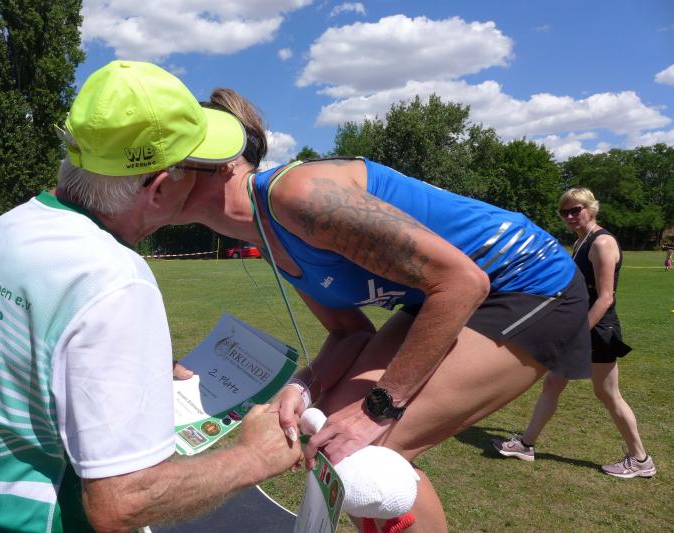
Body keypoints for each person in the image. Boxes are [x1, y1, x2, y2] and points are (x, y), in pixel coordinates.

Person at [148, 87, 593, 531]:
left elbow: (461, 283)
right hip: (446, 292)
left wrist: (379, 407)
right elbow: (349, 332)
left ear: (220, 161)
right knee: (331, 439)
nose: (141, 182)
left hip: (526, 281)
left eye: (157, 166)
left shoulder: (299, 196)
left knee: (364, 452)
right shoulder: (265, 235)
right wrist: (302, 387)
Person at [0, 62, 301, 533]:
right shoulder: (113, 279)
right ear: (158, 187)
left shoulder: (11, 227)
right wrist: (255, 457)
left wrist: (119, 368)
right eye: (197, 169)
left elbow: (31, 361)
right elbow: (123, 502)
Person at [492, 188, 656, 478]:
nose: (569, 216)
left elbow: (605, 297)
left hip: (598, 329)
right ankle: (526, 444)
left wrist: (578, 334)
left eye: (575, 209)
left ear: (591, 208)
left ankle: (640, 459)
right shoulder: (581, 241)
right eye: (564, 212)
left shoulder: (602, 242)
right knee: (553, 384)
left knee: (608, 394)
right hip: (584, 328)